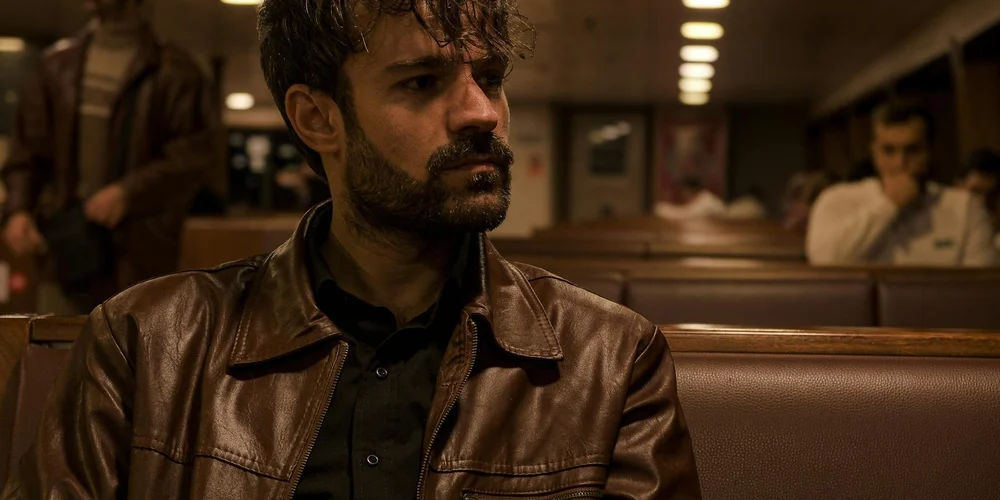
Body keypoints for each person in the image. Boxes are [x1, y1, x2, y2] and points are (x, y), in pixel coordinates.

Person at [2, 0, 701, 499]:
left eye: (488, 77)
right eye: (422, 82)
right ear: (317, 119)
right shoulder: (142, 347)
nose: (482, 112)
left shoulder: (611, 365)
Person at [0, 0, 215, 314]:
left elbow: (192, 157)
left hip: (140, 257)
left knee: (137, 356)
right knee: (59, 352)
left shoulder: (177, 70)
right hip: (66, 252)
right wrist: (18, 209)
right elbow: (27, 150)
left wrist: (129, 192)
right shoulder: (57, 65)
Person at [806, 100, 997, 266]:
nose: (900, 163)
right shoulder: (835, 199)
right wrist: (889, 205)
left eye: (912, 150)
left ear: (930, 150)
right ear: (874, 152)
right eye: (889, 151)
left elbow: (981, 289)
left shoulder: (966, 207)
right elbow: (824, 262)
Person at [654, 176, 726, 220]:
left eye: (682, 191)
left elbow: (686, 215)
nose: (681, 195)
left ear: (688, 191)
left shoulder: (708, 202)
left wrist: (662, 209)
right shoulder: (703, 199)